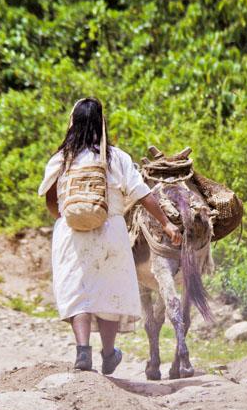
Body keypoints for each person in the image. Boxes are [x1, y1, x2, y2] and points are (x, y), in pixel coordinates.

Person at [39, 97, 182, 374]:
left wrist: (73, 218)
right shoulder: (115, 157)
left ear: (73, 123)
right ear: (101, 124)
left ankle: (83, 351)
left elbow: (50, 201)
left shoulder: (61, 158)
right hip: (111, 229)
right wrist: (165, 223)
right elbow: (142, 193)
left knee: (77, 290)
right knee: (110, 291)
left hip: (71, 233)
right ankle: (108, 353)